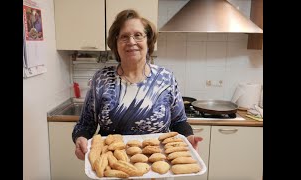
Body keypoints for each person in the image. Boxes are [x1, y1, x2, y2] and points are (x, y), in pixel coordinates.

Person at [72, 9, 203, 161]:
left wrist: (189, 137)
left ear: (149, 41)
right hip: (112, 165)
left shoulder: (165, 78)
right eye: (124, 37)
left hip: (157, 164)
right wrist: (80, 139)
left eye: (138, 35)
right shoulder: (102, 80)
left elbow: (179, 121)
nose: (131, 42)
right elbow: (85, 125)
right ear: (116, 43)